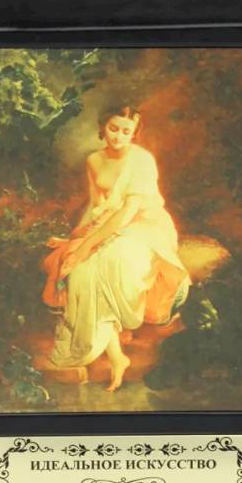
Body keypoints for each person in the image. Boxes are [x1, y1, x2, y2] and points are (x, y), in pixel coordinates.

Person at [41, 103, 190, 391]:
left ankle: (113, 353)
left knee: (113, 262)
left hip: (146, 227)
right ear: (102, 127)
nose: (118, 136)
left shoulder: (142, 160)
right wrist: (76, 239)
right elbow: (97, 208)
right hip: (108, 225)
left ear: (134, 134)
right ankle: (116, 356)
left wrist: (85, 248)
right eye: (113, 128)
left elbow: (127, 212)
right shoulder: (94, 160)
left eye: (125, 131)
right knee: (82, 272)